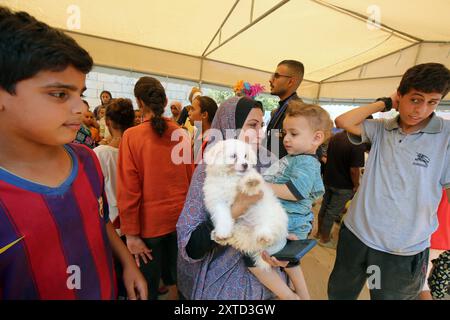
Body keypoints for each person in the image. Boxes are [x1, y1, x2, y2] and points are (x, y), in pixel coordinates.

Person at [0, 6, 146, 300]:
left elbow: (101, 218)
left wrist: (127, 262)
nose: (80, 108)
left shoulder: (86, 159)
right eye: (59, 94)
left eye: (80, 93)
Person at [329, 63, 450, 300]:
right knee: (340, 294)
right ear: (400, 95)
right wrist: (385, 102)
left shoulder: (446, 136)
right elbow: (342, 121)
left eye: (432, 102)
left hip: (403, 248)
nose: (421, 109)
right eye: (415, 99)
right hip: (358, 234)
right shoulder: (382, 129)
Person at [177, 96, 294, 300]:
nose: (260, 133)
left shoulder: (271, 162)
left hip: (270, 280)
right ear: (230, 127)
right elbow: (192, 246)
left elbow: (286, 211)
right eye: (252, 125)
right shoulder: (210, 168)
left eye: (262, 125)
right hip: (224, 284)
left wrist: (283, 238)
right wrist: (235, 211)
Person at [117, 76, 194, 300]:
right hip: (179, 221)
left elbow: (128, 188)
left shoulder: (131, 136)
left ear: (139, 102)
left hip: (148, 227)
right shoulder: (181, 133)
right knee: (176, 280)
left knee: (147, 286)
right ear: (165, 100)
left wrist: (130, 234)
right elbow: (191, 180)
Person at [251, 101, 333, 300]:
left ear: (317, 138)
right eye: (284, 133)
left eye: (293, 134)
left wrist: (261, 185)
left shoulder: (306, 161)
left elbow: (295, 191)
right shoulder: (296, 157)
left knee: (251, 255)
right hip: (287, 221)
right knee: (288, 264)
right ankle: (302, 295)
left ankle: (289, 296)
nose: (286, 139)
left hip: (289, 223)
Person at [314, 130, 366, 249]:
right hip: (343, 185)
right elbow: (354, 170)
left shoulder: (336, 136)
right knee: (332, 212)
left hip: (328, 179)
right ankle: (325, 239)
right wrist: (357, 185)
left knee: (325, 207)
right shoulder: (357, 144)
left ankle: (318, 234)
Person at [94, 98, 135, 225]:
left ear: (107, 122)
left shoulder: (99, 153)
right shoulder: (138, 151)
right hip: (134, 219)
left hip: (110, 220)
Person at [265, 60, 304, 159]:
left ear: (290, 82)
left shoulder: (299, 111)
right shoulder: (279, 109)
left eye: (277, 76)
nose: (271, 80)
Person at [188, 95, 218, 164]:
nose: (189, 113)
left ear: (204, 115)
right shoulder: (198, 133)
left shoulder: (213, 141)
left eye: (192, 109)